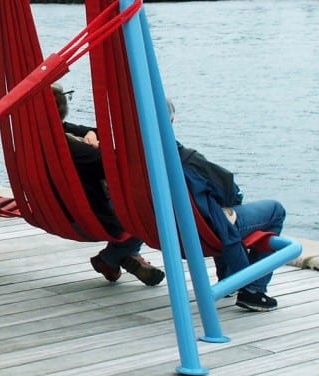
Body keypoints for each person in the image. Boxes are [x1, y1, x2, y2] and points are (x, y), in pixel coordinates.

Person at [169, 98, 287, 312]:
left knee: (214, 211)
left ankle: (230, 277)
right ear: (171, 120)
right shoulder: (187, 160)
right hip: (203, 230)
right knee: (274, 211)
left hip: (169, 230)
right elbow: (230, 191)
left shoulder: (135, 160)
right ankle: (253, 288)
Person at [52, 85, 164, 286]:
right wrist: (95, 145)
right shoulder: (74, 151)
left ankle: (126, 256)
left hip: (53, 210)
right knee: (152, 209)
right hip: (86, 217)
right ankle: (111, 258)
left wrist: (90, 134)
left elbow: (88, 130)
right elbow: (117, 166)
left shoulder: (39, 138)